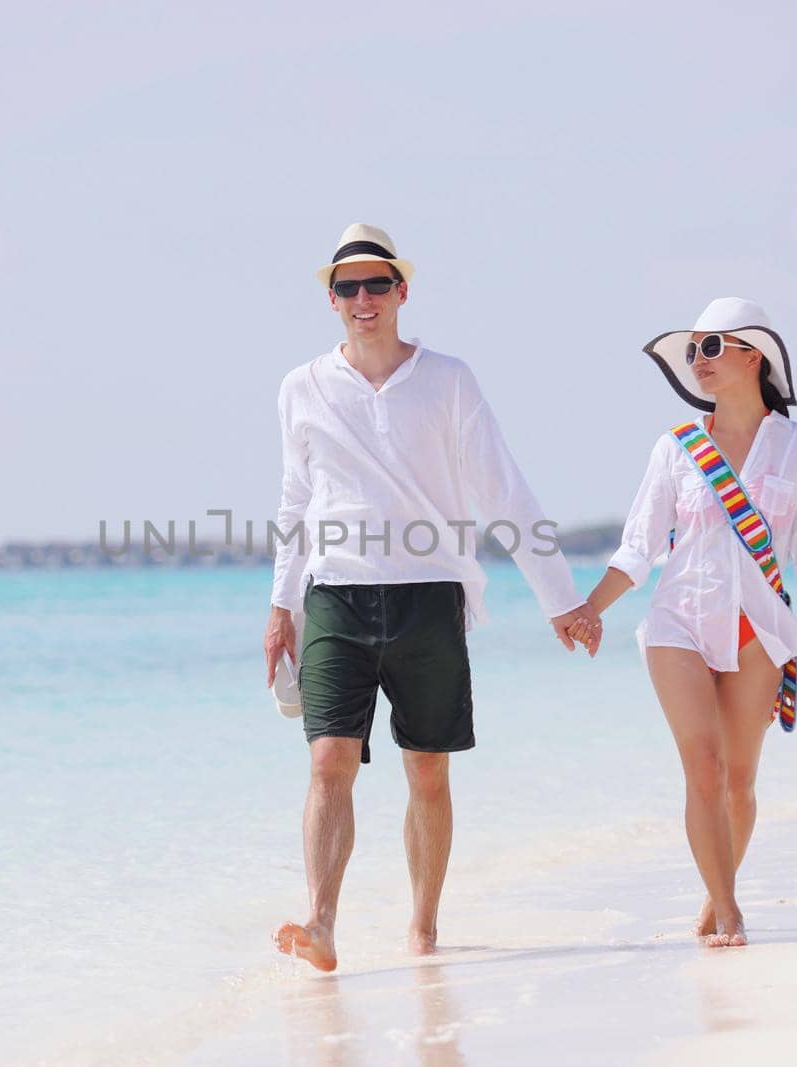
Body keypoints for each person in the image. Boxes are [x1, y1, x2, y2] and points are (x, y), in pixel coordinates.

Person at [264, 223, 600, 971]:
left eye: (376, 283)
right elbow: (294, 500)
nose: (362, 298)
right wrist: (281, 604)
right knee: (328, 762)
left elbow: (501, 487)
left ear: (401, 291)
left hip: (429, 597)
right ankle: (320, 923)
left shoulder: (449, 379)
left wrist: (561, 599)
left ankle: (423, 925)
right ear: (331, 299)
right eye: (346, 286)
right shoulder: (301, 387)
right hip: (336, 598)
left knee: (428, 771)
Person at [569, 297, 797, 947]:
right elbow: (638, 549)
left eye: (712, 347)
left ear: (755, 355)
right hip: (679, 621)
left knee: (740, 782)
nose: (698, 361)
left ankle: (716, 891)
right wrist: (587, 610)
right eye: (692, 351)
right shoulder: (677, 448)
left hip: (759, 628)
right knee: (704, 765)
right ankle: (729, 910)